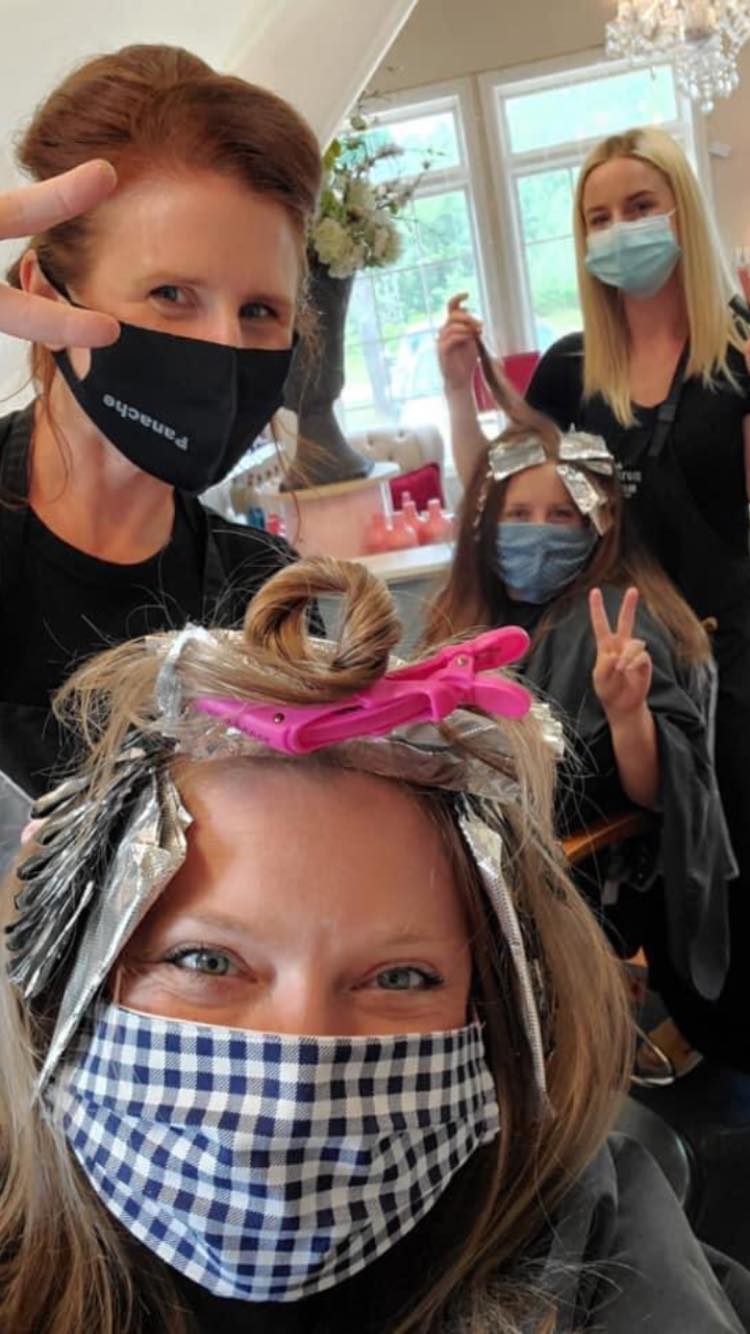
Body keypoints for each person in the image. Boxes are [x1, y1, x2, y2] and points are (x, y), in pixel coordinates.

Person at [1, 555, 748, 1333]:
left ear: (495, 1008)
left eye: (400, 977)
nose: (298, 1068)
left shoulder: (592, 1243)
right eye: (206, 961)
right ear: (75, 979)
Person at [437, 126, 750, 1073]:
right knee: (657, 852)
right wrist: (459, 391)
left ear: (682, 214)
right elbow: (506, 488)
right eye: (598, 216)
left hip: (732, 650)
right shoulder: (576, 369)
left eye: (640, 207)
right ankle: (701, 1020)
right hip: (624, 647)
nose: (620, 230)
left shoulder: (738, 354)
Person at [0, 42, 322, 843]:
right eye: (172, 294)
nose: (223, 347)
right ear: (44, 292)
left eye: (259, 312)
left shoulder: (264, 598)